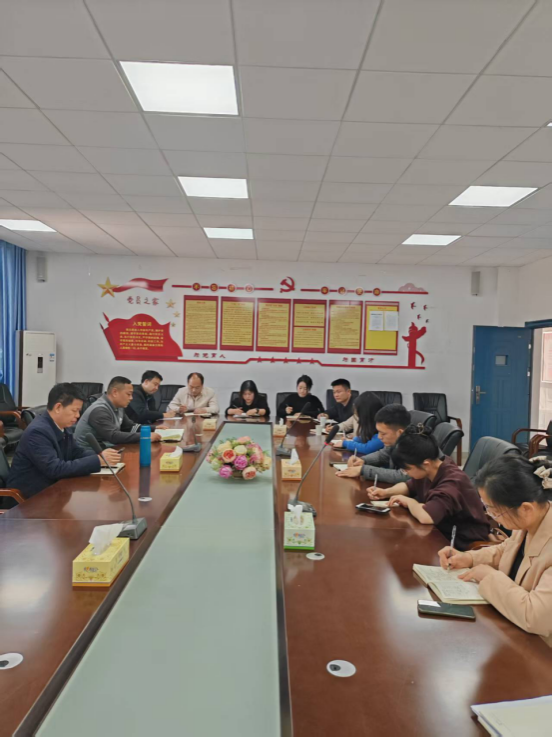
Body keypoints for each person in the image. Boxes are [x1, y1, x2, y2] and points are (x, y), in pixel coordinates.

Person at [438, 455, 552, 644]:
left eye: (494, 511)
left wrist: (489, 576)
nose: (492, 516)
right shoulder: (530, 519)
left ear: (526, 509)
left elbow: (536, 617)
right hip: (510, 626)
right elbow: (507, 549)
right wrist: (469, 558)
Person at [382, 426, 491, 549]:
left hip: (462, 544)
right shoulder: (432, 468)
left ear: (426, 464)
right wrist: (386, 492)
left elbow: (426, 516)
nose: (406, 473)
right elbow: (409, 486)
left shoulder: (452, 482)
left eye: (407, 469)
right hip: (440, 532)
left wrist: (410, 502)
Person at [7, 383, 120, 499]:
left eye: (79, 411)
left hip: (53, 492)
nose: (78, 415)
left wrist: (101, 456)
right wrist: (97, 461)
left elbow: (76, 452)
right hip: (28, 499)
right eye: (74, 410)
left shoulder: (62, 426)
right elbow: (55, 469)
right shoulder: (37, 432)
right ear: (58, 408)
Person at [75, 376, 162, 451]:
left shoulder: (118, 406)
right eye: (128, 394)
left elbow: (129, 427)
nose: (131, 398)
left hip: (107, 448)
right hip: (91, 453)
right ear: (115, 392)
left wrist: (154, 428)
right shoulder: (99, 410)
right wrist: (145, 436)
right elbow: (113, 436)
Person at [335, 404, 410, 483]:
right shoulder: (396, 441)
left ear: (400, 432)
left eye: (383, 434)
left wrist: (363, 470)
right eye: (379, 432)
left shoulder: (414, 446)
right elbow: (383, 455)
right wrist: (363, 460)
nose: (379, 437)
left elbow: (402, 476)